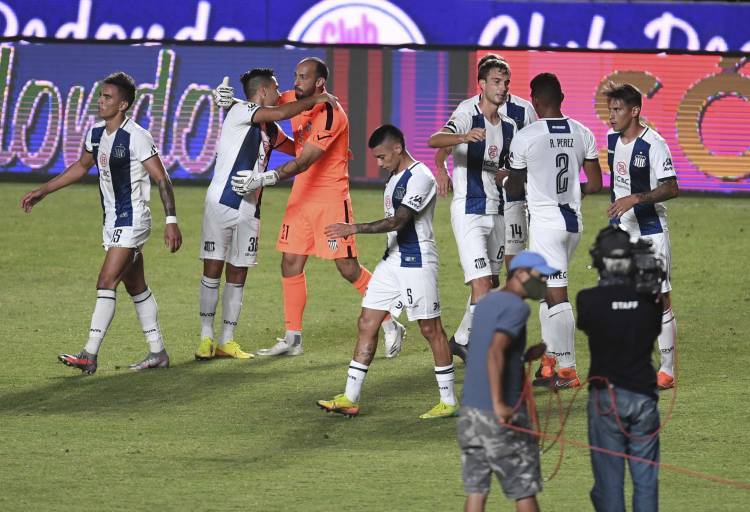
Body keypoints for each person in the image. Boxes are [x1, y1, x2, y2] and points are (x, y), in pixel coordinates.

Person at [227, 57, 405, 357]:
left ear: (319, 82)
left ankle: (389, 322)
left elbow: (305, 160)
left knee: (347, 268)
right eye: (295, 75)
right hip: (302, 196)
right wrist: (232, 102)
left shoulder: (332, 114)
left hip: (331, 199)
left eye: (303, 77)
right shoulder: (293, 99)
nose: (296, 82)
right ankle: (293, 338)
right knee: (290, 263)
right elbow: (267, 107)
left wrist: (263, 178)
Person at [20, 71, 182, 374]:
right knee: (137, 288)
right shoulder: (95, 133)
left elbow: (162, 178)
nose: (101, 101)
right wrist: (43, 190)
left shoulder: (137, 136)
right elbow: (80, 167)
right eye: (101, 95)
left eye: (107, 97)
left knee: (106, 281)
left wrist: (171, 220)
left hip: (133, 218)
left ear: (123, 105)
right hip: (111, 222)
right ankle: (158, 352)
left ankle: (89, 354)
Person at [316, 124, 458, 419]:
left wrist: (352, 229)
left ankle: (448, 400)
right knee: (367, 321)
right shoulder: (394, 178)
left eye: (381, 157)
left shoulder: (420, 177)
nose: (379, 163)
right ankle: (349, 398)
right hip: (391, 261)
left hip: (416, 260)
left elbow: (399, 221)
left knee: (431, 329)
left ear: (398, 148)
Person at [195, 68, 338, 360]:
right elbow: (284, 111)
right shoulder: (243, 111)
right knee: (212, 269)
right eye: (274, 88)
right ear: (262, 92)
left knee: (238, 272)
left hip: (251, 207)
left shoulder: (268, 128)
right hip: (221, 202)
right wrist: (319, 99)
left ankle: (226, 341)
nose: (279, 91)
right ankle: (205, 337)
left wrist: (329, 151)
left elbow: (295, 147)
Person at [434, 54, 537, 362]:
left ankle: (463, 339)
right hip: (469, 208)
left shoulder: (514, 118)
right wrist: (442, 164)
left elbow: (525, 155)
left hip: (504, 207)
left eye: (506, 82)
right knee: (482, 281)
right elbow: (439, 140)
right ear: (482, 84)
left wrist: (518, 178)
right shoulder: (468, 111)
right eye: (496, 81)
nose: (502, 87)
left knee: (491, 281)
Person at [506, 72, 602, 389]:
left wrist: (506, 179)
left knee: (557, 295)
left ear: (534, 101)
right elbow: (597, 183)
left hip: (546, 224)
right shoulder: (582, 132)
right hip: (573, 222)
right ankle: (550, 363)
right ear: (561, 97)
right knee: (548, 291)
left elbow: (516, 187)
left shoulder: (527, 136)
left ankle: (568, 370)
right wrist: (571, 194)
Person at [458, 251, 556, 512]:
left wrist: (523, 357)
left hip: (470, 411)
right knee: (524, 488)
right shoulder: (516, 307)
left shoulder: (487, 301)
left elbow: (486, 350)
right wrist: (500, 402)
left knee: (477, 490)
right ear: (521, 274)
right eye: (541, 277)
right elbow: (495, 351)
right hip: (500, 415)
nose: (544, 283)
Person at [578, 226, 664, 512]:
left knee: (609, 484)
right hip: (644, 399)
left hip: (607, 401)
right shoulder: (650, 303)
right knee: (646, 482)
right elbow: (654, 326)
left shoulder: (587, 300)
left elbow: (589, 324)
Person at [603, 81, 679, 390]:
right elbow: (616, 184)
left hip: (650, 231)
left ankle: (667, 369)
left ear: (635, 111)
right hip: (622, 232)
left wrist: (634, 199)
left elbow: (672, 187)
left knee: (658, 298)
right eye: (609, 110)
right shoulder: (611, 140)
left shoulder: (654, 144)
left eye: (618, 110)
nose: (612, 116)